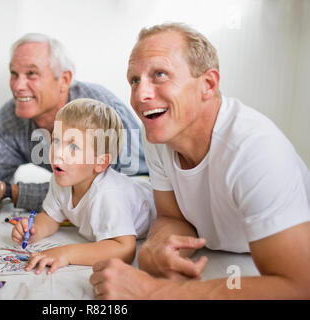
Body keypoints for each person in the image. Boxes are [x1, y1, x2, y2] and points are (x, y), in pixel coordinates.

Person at [89, 23, 310, 299]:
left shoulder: (254, 149)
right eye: (134, 80)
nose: (140, 95)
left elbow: (298, 286)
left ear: (208, 84)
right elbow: (172, 216)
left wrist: (154, 291)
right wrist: (157, 249)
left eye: (159, 74)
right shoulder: (160, 135)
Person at [0, 33, 148, 235]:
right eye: (14, 74)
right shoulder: (11, 118)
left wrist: (9, 191)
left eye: (32, 74)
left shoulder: (101, 112)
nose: (18, 86)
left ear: (64, 80)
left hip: (143, 196)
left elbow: (106, 188)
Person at [11, 98, 156, 274]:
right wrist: (34, 230)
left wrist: (66, 253)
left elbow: (124, 249)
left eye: (73, 146)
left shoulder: (109, 195)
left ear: (100, 163)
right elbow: (50, 217)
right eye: (56, 140)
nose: (58, 152)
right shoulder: (61, 180)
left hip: (153, 197)